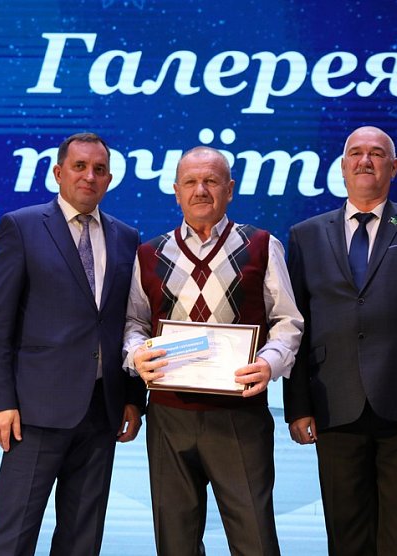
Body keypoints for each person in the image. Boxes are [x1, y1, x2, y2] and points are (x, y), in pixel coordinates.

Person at [284, 126, 397, 556]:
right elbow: (295, 327)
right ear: (342, 166)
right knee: (347, 538)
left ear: (394, 167)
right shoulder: (305, 235)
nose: (365, 161)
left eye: (377, 154)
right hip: (334, 405)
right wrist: (298, 405)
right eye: (356, 153)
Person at [124, 146, 303, 556]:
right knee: (176, 543)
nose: (200, 190)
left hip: (240, 415)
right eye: (190, 182)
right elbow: (133, 323)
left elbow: (287, 321)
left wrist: (269, 363)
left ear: (230, 189)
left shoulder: (262, 245)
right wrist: (136, 355)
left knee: (255, 540)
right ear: (176, 191)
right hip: (169, 416)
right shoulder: (148, 254)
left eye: (211, 181)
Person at [0, 132, 147, 556]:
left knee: (81, 540)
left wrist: (131, 397)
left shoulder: (127, 237)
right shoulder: (21, 226)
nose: (90, 176)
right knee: (13, 537)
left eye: (99, 169)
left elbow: (127, 322)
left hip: (102, 411)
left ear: (109, 179)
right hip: (34, 413)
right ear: (58, 172)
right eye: (79, 166)